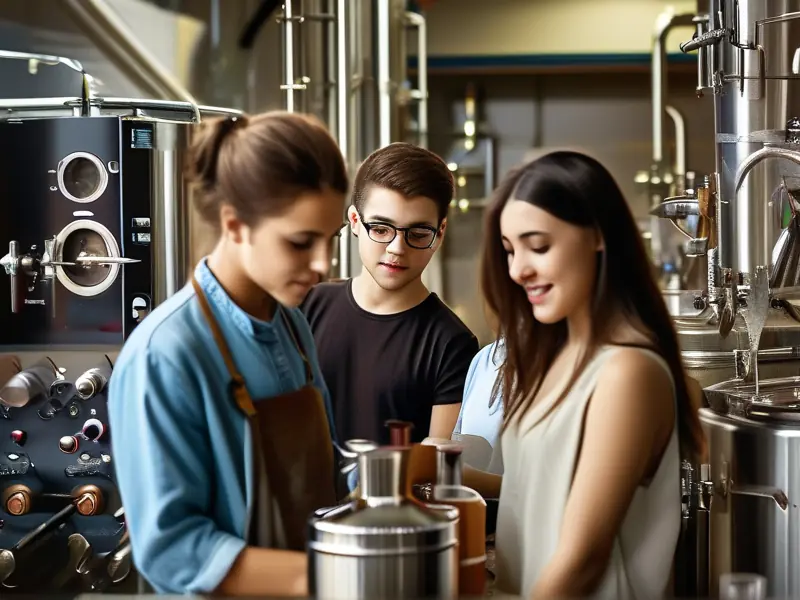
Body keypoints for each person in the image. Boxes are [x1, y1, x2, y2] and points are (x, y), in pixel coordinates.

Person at [107, 111, 349, 597]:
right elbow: (171, 548)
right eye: (301, 242)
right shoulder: (164, 356)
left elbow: (320, 477)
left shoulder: (291, 323)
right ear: (235, 225)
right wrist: (331, 579)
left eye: (332, 238)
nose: (324, 265)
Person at [482, 151, 705, 599]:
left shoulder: (628, 372)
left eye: (538, 246)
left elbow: (582, 561)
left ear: (599, 236)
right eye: (509, 250)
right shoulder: (552, 357)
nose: (517, 269)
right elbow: (542, 494)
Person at [302, 142, 479, 445]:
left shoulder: (452, 343)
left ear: (440, 232)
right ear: (355, 222)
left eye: (418, 233)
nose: (397, 248)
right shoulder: (306, 306)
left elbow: (437, 470)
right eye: (382, 229)